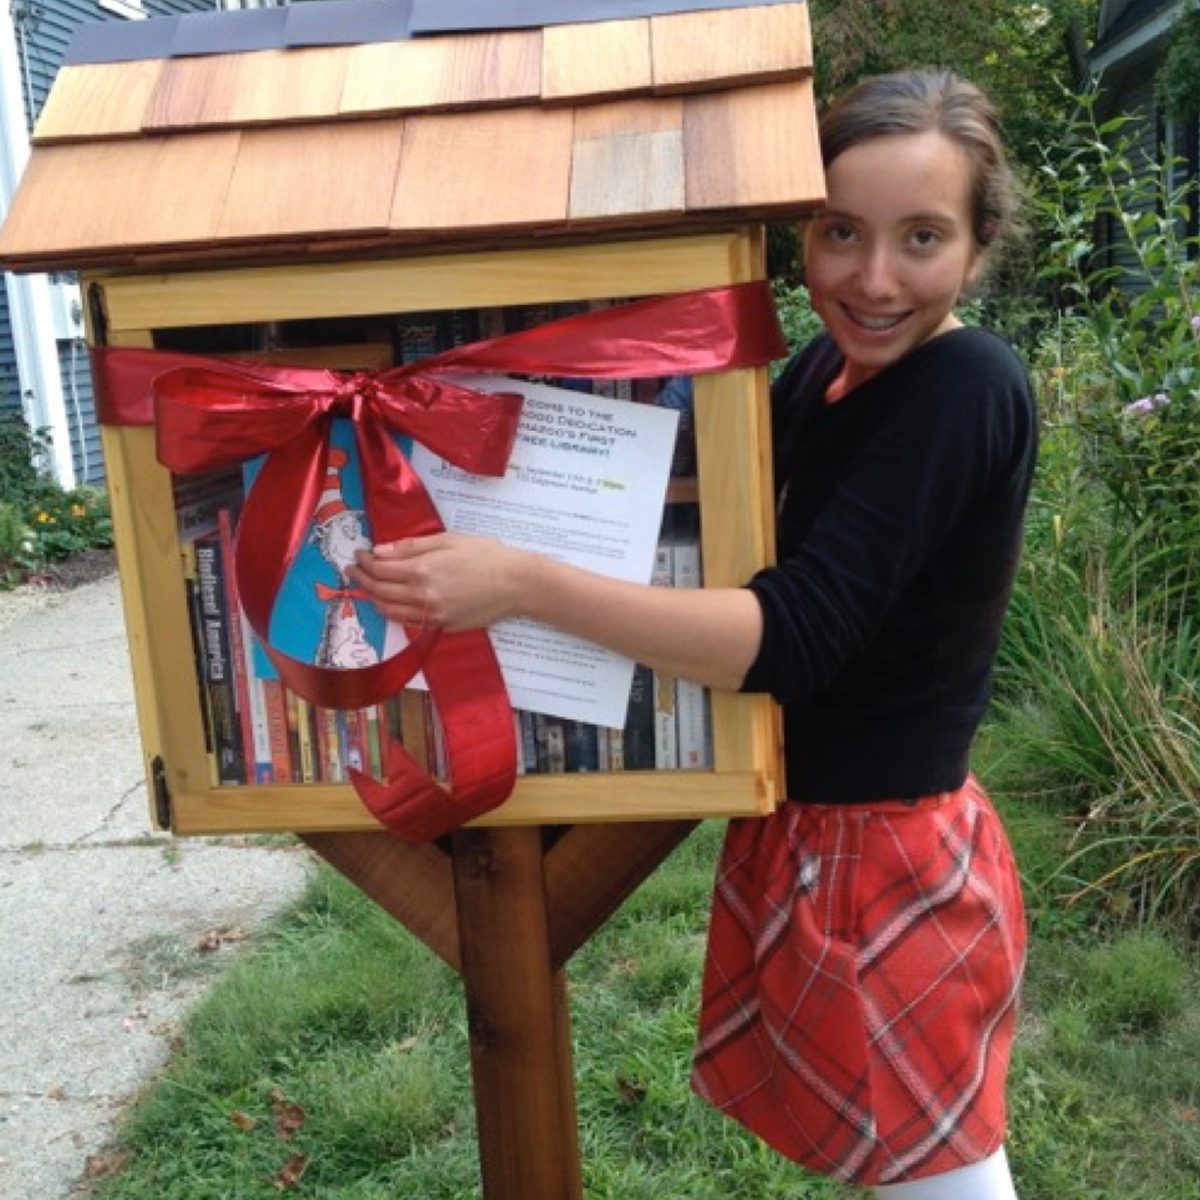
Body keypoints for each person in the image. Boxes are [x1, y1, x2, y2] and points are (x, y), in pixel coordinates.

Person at [350, 68, 1037, 1200]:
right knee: (902, 1161)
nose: (871, 279)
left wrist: (522, 578)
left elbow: (789, 634)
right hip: (816, 835)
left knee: (937, 1174)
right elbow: (702, 517)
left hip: (885, 857)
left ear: (980, 242)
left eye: (922, 237)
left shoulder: (966, 384)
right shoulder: (825, 370)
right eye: (837, 233)